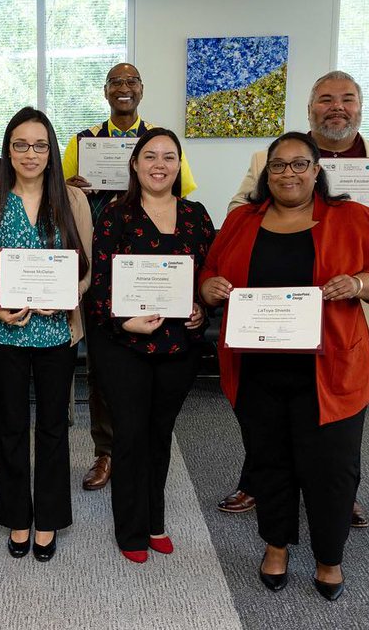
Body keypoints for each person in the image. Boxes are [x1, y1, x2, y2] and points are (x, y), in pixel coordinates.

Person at [222, 70, 369, 527]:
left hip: (355, 309)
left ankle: (339, 493)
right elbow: (236, 211)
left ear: (360, 107)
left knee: (341, 411)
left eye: (346, 99)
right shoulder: (271, 156)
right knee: (266, 405)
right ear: (310, 109)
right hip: (275, 310)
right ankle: (257, 483)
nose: (336, 107)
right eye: (325, 99)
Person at [200, 131, 369, 601]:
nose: (287, 173)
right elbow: (211, 271)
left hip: (333, 371)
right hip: (257, 371)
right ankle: (276, 545)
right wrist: (209, 287)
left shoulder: (351, 217)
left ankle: (329, 557)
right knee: (270, 462)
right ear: (265, 172)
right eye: (278, 165)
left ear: (316, 170)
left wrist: (358, 282)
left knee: (331, 470)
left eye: (299, 164)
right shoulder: (240, 220)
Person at [62, 62, 198, 492]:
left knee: (152, 362)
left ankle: (144, 449)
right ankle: (106, 450)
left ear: (142, 90)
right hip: (100, 262)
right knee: (104, 363)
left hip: (153, 269)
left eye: (131, 82)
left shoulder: (159, 139)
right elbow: (60, 193)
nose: (124, 88)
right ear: (106, 91)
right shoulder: (82, 141)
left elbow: (182, 195)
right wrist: (73, 187)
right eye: (116, 83)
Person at [86, 128, 214, 563]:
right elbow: (98, 286)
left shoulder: (197, 215)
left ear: (180, 166)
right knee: (131, 435)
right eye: (150, 156)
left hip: (180, 346)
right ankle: (131, 529)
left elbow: (208, 279)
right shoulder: (114, 214)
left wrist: (201, 309)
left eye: (169, 157)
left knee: (160, 435)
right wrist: (125, 321)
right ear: (135, 164)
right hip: (123, 344)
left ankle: (155, 520)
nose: (159, 164)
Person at [0, 107, 92, 562]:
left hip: (57, 333)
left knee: (53, 427)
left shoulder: (73, 202)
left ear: (51, 150)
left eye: (40, 145)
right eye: (20, 144)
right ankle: (18, 516)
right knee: (9, 427)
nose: (30, 153)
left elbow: (87, 269)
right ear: (7, 149)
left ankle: (51, 519)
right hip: (5, 334)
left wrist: (66, 296)